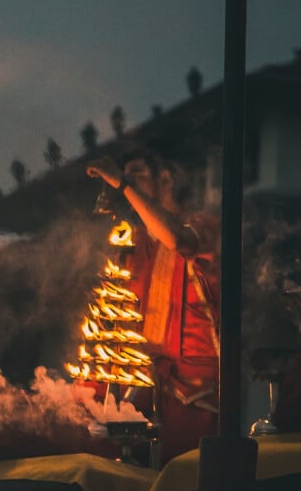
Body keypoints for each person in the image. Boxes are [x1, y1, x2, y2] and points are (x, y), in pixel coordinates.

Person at [87, 150, 220, 462]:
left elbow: (177, 239)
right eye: (128, 175)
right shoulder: (137, 240)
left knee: (187, 478)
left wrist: (123, 183)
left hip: (195, 392)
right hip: (145, 387)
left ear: (166, 179)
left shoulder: (204, 225)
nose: (128, 184)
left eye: (138, 173)